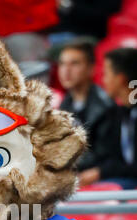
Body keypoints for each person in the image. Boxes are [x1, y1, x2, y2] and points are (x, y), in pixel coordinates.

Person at [58, 40, 116, 187]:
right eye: (62, 64)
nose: (66, 70)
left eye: (74, 64)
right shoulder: (66, 103)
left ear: (91, 69)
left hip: (99, 179)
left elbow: (103, 156)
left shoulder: (105, 107)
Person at [101, 48, 137, 189]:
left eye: (106, 74)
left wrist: (101, 172)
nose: (103, 80)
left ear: (120, 78)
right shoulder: (117, 114)